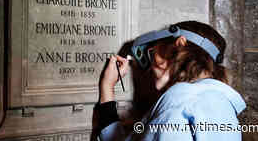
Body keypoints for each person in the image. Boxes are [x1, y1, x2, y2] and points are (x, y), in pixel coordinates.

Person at [97, 21, 246, 141]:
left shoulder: (178, 101)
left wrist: (106, 86)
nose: (150, 67)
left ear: (179, 44)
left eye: (152, 52)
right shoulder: (217, 101)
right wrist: (107, 87)